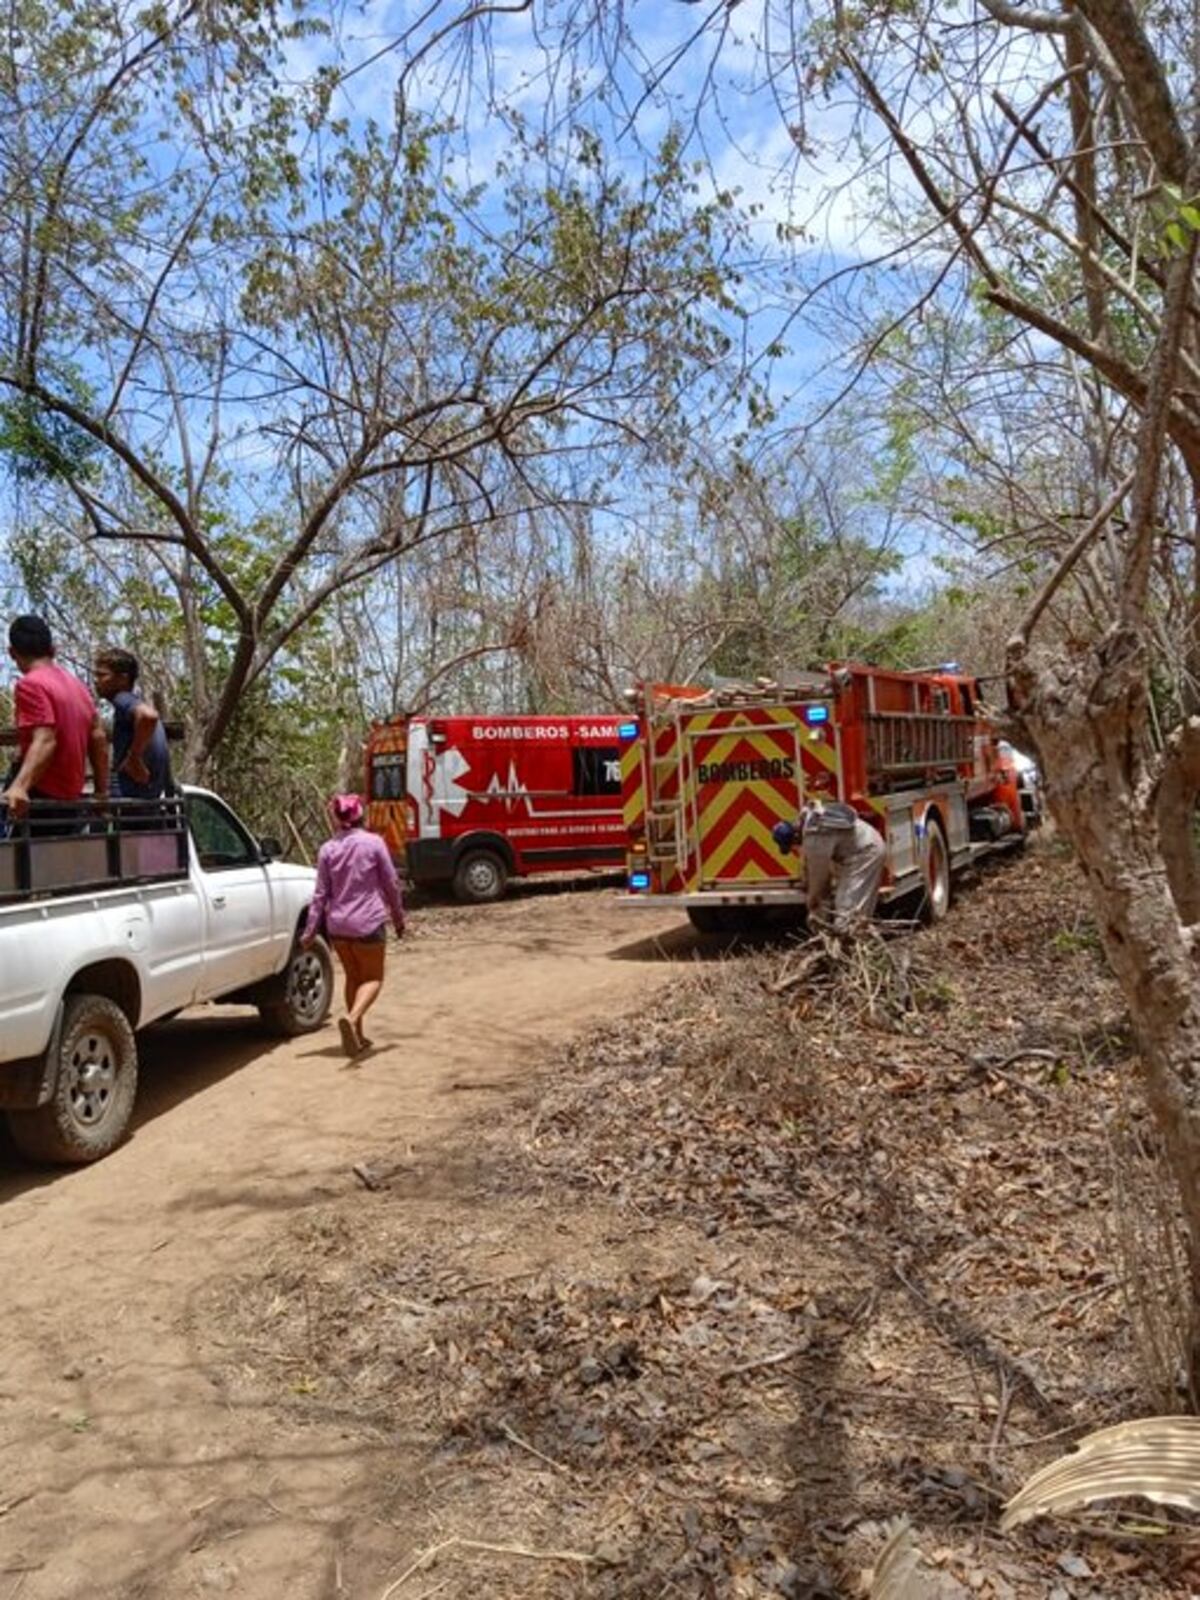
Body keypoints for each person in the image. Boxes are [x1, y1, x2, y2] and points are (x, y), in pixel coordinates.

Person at [301, 793, 406, 1057]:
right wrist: (398, 917)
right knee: (373, 979)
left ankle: (357, 1036)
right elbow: (391, 883)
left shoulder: (327, 849)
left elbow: (320, 895)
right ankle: (353, 1017)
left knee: (353, 978)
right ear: (360, 816)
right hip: (367, 924)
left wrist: (310, 930)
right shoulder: (374, 843)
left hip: (338, 927)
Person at [2, 615, 109, 830]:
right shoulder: (78, 686)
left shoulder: (30, 684)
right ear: (53, 649)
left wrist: (20, 787)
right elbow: (98, 738)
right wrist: (100, 793)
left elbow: (45, 739)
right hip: (71, 803)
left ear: (12, 653)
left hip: (41, 801)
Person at [773, 798, 886, 935]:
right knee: (841, 900)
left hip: (866, 852)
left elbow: (819, 879)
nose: (795, 848)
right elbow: (810, 866)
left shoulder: (815, 837)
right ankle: (844, 936)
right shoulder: (808, 819)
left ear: (796, 836)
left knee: (848, 908)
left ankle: (849, 942)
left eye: (792, 845)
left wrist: (812, 901)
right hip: (852, 851)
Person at [93, 647, 171, 800]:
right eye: (95, 675)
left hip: (129, 797)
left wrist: (134, 758)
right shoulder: (129, 705)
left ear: (123, 678)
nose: (96, 680)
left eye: (102, 675)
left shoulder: (123, 698)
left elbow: (149, 716)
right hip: (145, 802)